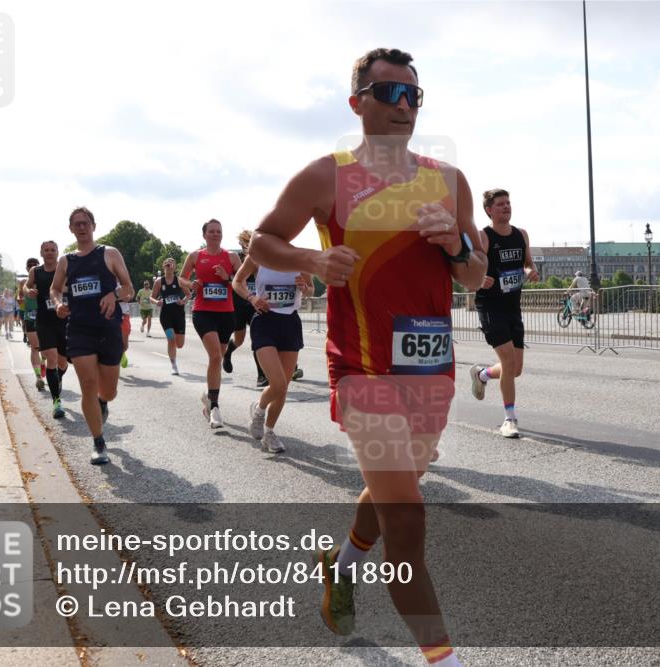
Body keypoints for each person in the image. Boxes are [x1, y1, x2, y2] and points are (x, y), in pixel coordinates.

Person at [249, 47, 486, 667]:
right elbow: (264, 236)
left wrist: (457, 242)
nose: (404, 105)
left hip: (430, 369)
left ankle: (343, 562)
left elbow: (478, 277)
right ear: (358, 103)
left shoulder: (449, 180)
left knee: (397, 490)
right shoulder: (327, 176)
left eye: (414, 94)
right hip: (361, 369)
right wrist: (310, 260)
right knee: (407, 524)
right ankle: (444, 660)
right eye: (390, 93)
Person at [50, 207, 134, 464]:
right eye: (77, 224)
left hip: (108, 328)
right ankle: (98, 442)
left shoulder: (109, 254)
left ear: (94, 226)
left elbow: (128, 288)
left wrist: (114, 294)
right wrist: (58, 304)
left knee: (108, 391)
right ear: (71, 228)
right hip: (79, 329)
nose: (82, 227)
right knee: (87, 383)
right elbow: (55, 289)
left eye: (86, 223)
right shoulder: (66, 261)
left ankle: (102, 402)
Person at [468, 188, 539, 439]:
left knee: (515, 369)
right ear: (489, 210)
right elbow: (468, 270)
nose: (506, 207)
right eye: (500, 204)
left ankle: (482, 374)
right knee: (508, 362)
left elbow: (528, 262)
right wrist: (479, 279)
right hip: (490, 307)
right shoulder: (483, 237)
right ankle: (509, 419)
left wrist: (531, 270)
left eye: (508, 203)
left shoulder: (521, 234)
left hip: (512, 307)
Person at [232, 253, 314, 453]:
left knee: (283, 387)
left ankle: (269, 432)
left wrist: (305, 288)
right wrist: (252, 297)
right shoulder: (258, 255)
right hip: (264, 321)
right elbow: (237, 281)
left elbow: (311, 289)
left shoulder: (300, 257)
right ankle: (259, 411)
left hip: (290, 324)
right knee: (277, 383)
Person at [181, 220, 241, 429]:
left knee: (218, 358)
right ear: (204, 235)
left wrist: (228, 277)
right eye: (211, 231)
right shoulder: (196, 256)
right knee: (215, 356)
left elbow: (240, 282)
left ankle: (208, 397)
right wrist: (192, 284)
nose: (216, 234)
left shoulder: (232, 257)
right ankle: (214, 407)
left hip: (226, 314)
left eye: (219, 231)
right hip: (203, 312)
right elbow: (182, 279)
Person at [26, 240, 70, 419]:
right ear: (41, 253)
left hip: (65, 320)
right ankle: (56, 401)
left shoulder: (65, 268)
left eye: (53, 250)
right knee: (50, 357)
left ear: (58, 252)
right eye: (46, 250)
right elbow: (27, 285)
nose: (50, 252)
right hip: (44, 321)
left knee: (63, 362)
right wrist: (28, 290)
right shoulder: (35, 271)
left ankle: (58, 377)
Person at [223, 230, 268, 387]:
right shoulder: (236, 260)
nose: (247, 246)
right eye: (244, 244)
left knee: (258, 338)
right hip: (239, 305)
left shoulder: (260, 259)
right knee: (239, 340)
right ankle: (228, 352)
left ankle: (261, 375)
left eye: (249, 242)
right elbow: (232, 282)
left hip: (256, 304)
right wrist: (227, 277)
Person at [151, 257, 190, 375]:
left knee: (180, 344)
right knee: (171, 339)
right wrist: (156, 302)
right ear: (163, 266)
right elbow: (151, 297)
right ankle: (173, 364)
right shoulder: (159, 282)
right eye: (167, 263)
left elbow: (188, 294)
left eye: (172, 263)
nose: (169, 264)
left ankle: (174, 355)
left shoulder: (179, 280)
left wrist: (183, 301)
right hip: (166, 315)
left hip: (178, 314)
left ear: (175, 267)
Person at [20, 258, 46, 391]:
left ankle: (43, 368)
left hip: (45, 317)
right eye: (29, 266)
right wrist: (25, 297)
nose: (31, 268)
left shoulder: (46, 279)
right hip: (30, 316)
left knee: (45, 350)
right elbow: (20, 299)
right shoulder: (24, 283)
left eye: (34, 266)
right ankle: (38, 377)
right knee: (35, 348)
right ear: (26, 269)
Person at [119, 298, 131, 368]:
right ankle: (115, 361)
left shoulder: (126, 286)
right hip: (111, 313)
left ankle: (121, 353)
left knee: (125, 346)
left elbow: (131, 294)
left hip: (124, 314)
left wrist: (129, 296)